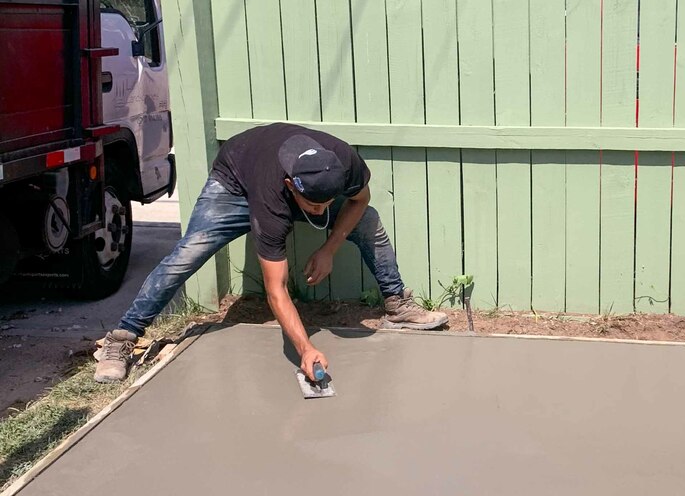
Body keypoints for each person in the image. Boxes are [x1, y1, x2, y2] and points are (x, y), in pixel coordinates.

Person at [94, 124, 446, 383]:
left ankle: (397, 305)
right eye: (314, 205)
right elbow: (276, 289)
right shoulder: (271, 201)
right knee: (189, 252)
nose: (322, 212)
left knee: (368, 222)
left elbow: (360, 200)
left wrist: (330, 248)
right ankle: (122, 338)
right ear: (292, 188)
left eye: (328, 202)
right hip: (235, 180)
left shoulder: (345, 163)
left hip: (282, 174)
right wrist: (306, 350)